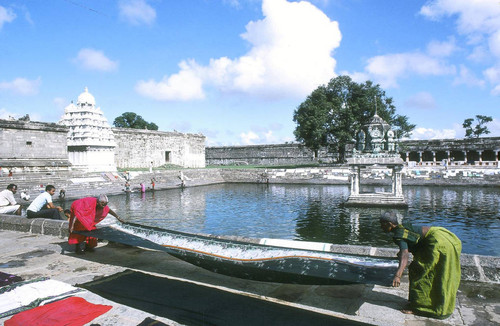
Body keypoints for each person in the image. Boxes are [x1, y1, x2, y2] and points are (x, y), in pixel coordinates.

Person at [379, 211, 462, 319]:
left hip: (437, 242)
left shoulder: (398, 235)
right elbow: (410, 243)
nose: (381, 227)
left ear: (390, 224)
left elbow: (405, 255)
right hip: (443, 235)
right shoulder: (402, 225)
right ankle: (427, 303)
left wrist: (398, 275)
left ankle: (419, 307)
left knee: (419, 273)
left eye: (382, 224)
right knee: (440, 274)